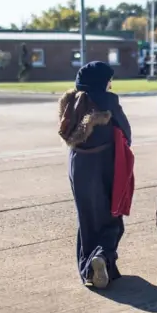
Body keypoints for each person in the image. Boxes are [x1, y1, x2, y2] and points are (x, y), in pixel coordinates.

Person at [57, 61, 131, 289]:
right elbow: (127, 134)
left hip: (78, 164)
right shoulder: (108, 101)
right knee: (112, 216)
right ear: (102, 81)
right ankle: (101, 256)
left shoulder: (70, 100)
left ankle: (90, 269)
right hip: (105, 162)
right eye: (109, 79)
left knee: (87, 218)